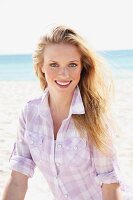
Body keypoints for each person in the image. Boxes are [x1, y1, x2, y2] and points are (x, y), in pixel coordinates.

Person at [2, 25, 124, 200]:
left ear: (82, 68)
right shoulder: (29, 113)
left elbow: (110, 185)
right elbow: (17, 180)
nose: (64, 74)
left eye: (72, 64)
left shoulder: (96, 116)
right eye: (54, 65)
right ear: (41, 66)